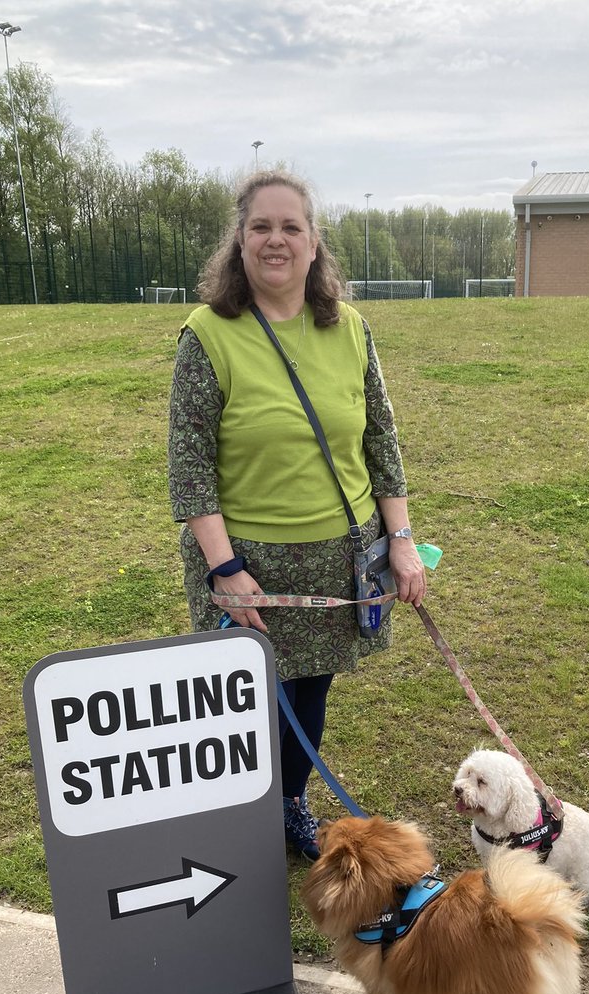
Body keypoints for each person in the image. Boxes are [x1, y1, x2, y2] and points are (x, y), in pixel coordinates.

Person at [168, 170, 425, 860]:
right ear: (240, 241)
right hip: (245, 560)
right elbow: (189, 469)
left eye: (291, 227)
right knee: (242, 699)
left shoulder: (350, 329)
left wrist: (400, 541)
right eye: (261, 227)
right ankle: (238, 812)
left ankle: (288, 801)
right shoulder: (207, 334)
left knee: (309, 691)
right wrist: (225, 567)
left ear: (314, 245)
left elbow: (381, 441)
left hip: (335, 552)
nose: (276, 240)